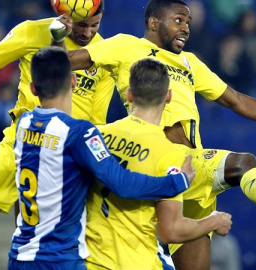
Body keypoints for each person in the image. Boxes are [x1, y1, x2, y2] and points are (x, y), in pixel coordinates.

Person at [52, 0, 256, 269]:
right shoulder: (125, 46)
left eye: (188, 22)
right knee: (243, 163)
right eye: (178, 20)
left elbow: (236, 100)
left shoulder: (191, 62)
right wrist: (56, 40)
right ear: (154, 23)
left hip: (194, 173)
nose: (186, 28)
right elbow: (62, 60)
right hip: (162, 158)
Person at [0, 2, 121, 269]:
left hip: (62, 156)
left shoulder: (101, 53)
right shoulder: (33, 32)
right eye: (82, 25)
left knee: (29, 244)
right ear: (66, 16)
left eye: (95, 25)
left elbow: (97, 119)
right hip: (22, 143)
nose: (88, 33)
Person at [8, 47, 194, 270]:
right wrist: (177, 182)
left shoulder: (23, 124)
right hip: (60, 259)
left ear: (32, 88)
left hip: (19, 255)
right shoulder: (79, 133)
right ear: (74, 81)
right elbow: (121, 183)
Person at [85, 58, 232, 270]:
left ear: (129, 95)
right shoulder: (170, 156)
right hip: (136, 263)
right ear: (169, 97)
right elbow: (170, 231)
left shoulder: (97, 135)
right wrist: (213, 221)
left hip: (91, 261)